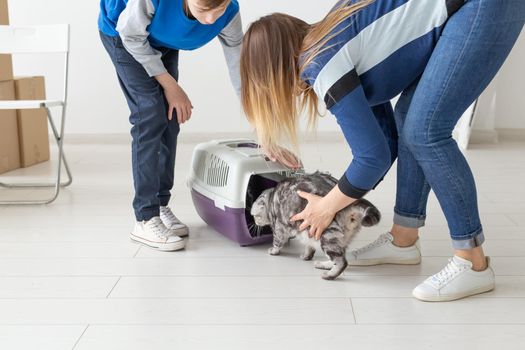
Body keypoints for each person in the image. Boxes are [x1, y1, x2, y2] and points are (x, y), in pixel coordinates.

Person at [240, 0, 524, 301]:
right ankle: (404, 239)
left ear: (271, 74)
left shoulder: (323, 63)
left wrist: (327, 207)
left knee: (426, 131)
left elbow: (372, 158)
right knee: (408, 120)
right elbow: (384, 146)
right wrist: (334, 200)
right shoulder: (329, 40)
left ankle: (473, 263)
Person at [98, 0, 243, 251]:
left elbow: (239, 67)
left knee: (170, 116)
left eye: (217, 10)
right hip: (125, 35)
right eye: (203, 10)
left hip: (159, 38)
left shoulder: (229, 12)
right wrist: (171, 87)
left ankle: (160, 204)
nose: (210, 20)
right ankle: (145, 217)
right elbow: (130, 34)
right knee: (150, 115)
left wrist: (261, 125)